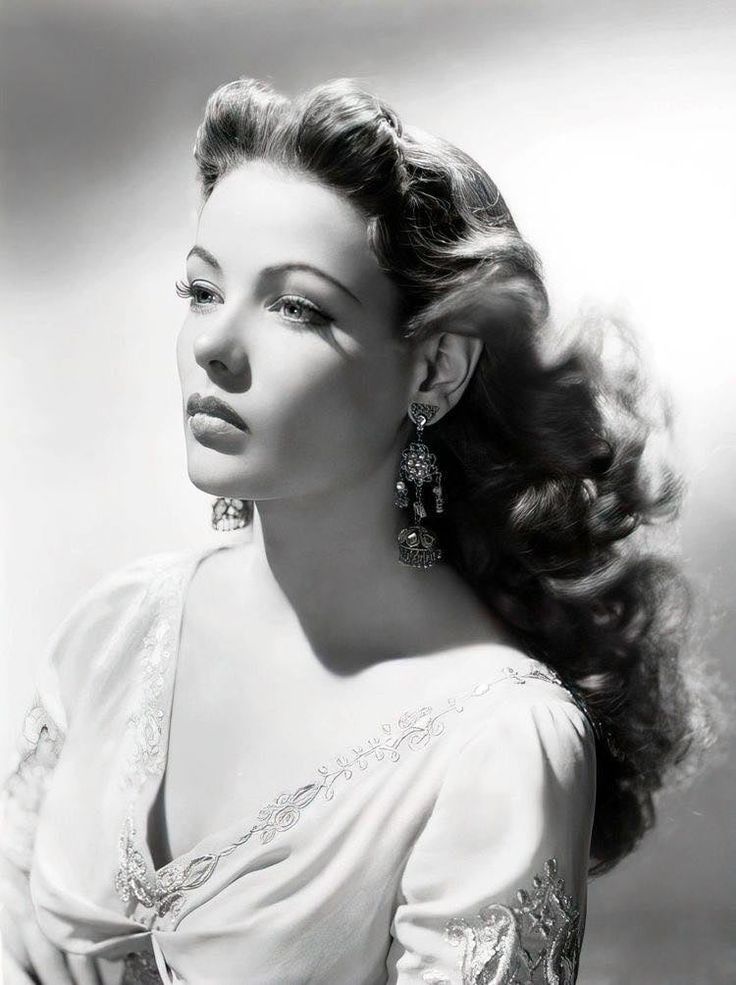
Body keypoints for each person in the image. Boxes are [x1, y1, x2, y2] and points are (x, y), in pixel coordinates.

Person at [0, 77, 705, 985]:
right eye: (202, 288)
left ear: (434, 370)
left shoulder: (496, 744)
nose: (216, 345)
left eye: (297, 306)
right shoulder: (115, 632)